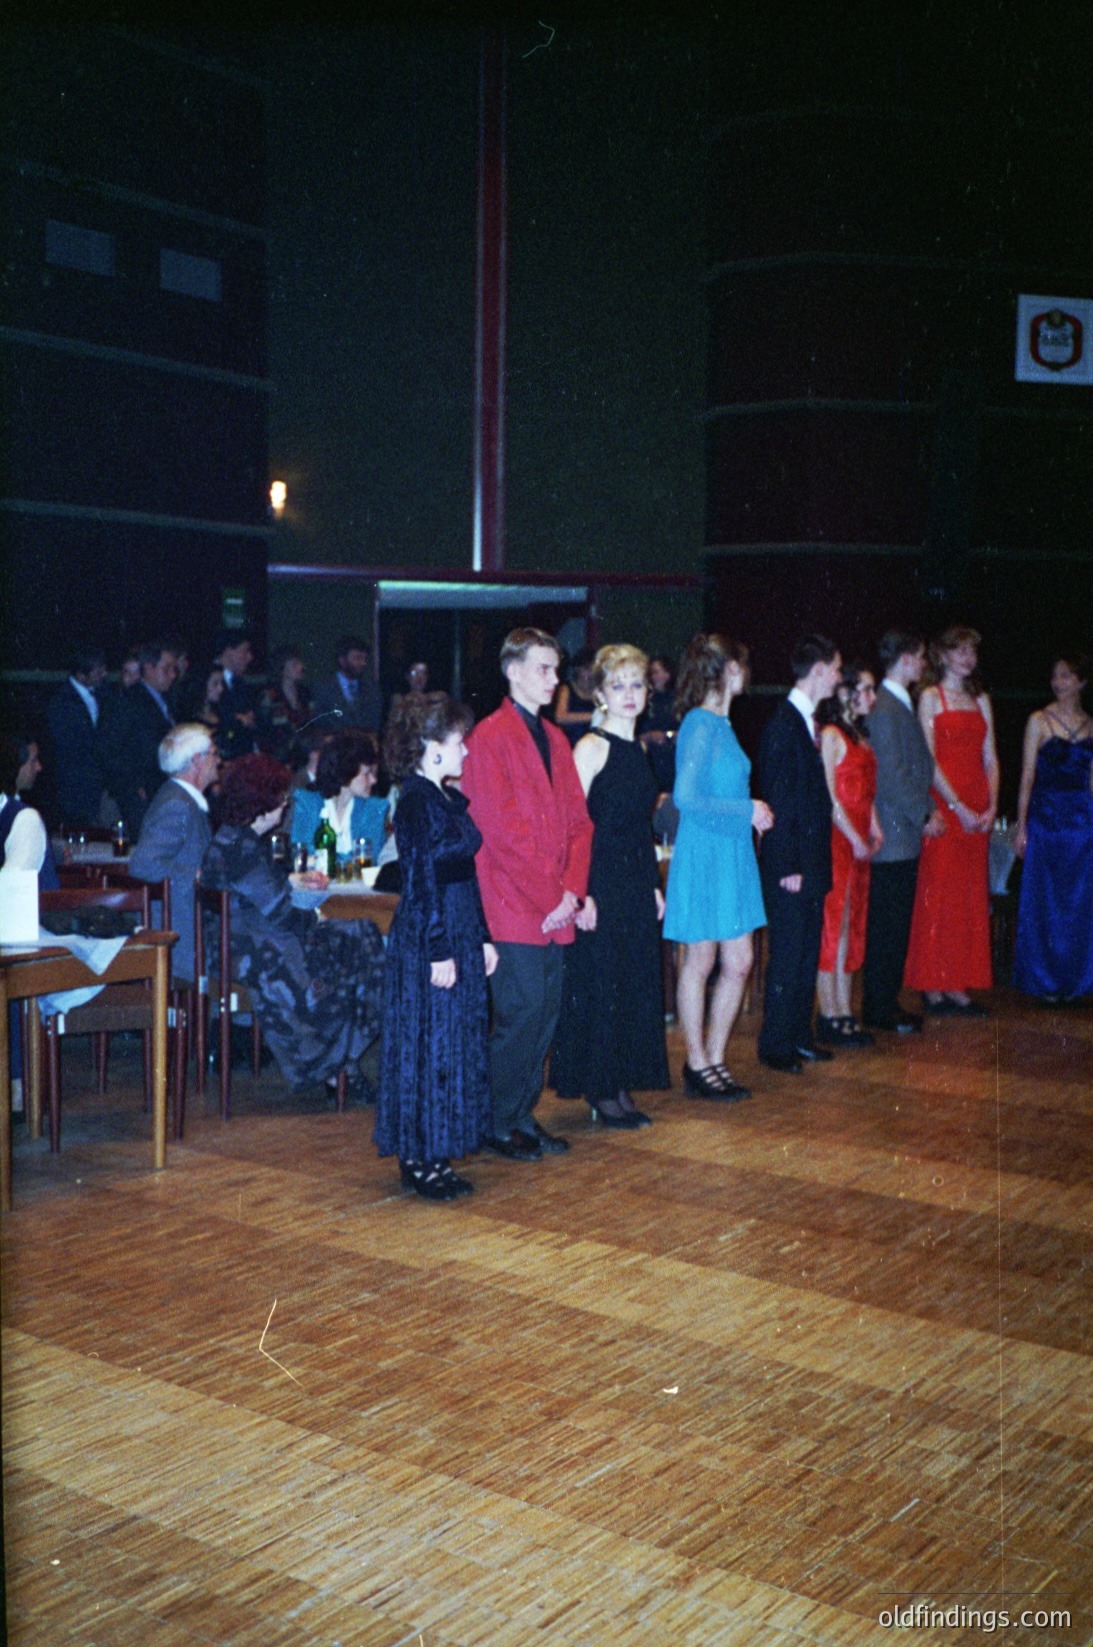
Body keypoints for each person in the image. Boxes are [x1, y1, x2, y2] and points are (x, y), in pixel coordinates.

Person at [462, 627, 593, 1160]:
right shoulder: (488, 739)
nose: (554, 679)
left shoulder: (556, 739)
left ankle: (519, 1113)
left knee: (545, 1016)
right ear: (512, 671)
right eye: (544, 668)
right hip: (514, 906)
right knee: (521, 1016)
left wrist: (573, 892)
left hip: (553, 903)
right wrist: (554, 897)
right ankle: (495, 1120)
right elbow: (501, 834)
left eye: (555, 668)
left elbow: (581, 825)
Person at [200, 753, 385, 1095]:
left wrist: (295, 885)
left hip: (238, 943)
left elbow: (263, 895)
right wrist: (315, 915)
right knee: (362, 939)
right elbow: (281, 913)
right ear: (263, 802)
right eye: (280, 798)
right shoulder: (244, 847)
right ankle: (339, 1064)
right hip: (256, 952)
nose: (284, 805)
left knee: (357, 935)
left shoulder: (231, 838)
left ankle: (340, 1062)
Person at [374, 693, 497, 1198]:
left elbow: (465, 878)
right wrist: (438, 949)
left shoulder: (440, 796)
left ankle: (435, 1152)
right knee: (430, 1045)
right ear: (430, 746)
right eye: (457, 742)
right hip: (433, 935)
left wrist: (483, 938)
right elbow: (421, 880)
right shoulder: (417, 801)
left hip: (457, 930)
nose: (466, 751)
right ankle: (419, 1156)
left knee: (450, 1043)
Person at [551, 645, 670, 1127]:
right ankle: (600, 1089)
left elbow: (639, 827)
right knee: (601, 985)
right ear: (598, 693)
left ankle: (619, 1082)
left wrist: (653, 887)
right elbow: (572, 827)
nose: (629, 694)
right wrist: (581, 893)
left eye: (636, 685)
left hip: (635, 881)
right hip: (599, 884)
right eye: (617, 686)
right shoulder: (591, 747)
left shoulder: (639, 748)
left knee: (631, 983)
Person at [664, 634, 771, 1097]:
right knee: (704, 958)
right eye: (741, 665)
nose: (746, 674)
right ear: (729, 669)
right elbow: (686, 799)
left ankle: (714, 1057)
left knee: (739, 960)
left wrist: (745, 811)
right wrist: (747, 809)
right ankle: (698, 1061)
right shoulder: (701, 723)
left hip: (731, 853)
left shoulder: (721, 725)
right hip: (708, 849)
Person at [756, 635, 842, 1073]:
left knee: (806, 951)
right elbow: (780, 798)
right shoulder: (784, 724)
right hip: (792, 865)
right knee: (789, 955)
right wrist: (788, 864)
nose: (840, 677)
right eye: (836, 668)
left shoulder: (804, 721)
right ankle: (776, 1045)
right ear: (820, 670)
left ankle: (798, 1035)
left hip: (809, 862)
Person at [904, 625, 998, 1015]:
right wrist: (957, 806)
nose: (967, 658)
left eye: (971, 652)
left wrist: (991, 804)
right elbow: (928, 759)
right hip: (945, 805)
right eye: (959, 651)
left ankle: (958, 985)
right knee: (938, 893)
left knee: (969, 897)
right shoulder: (930, 696)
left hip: (978, 806)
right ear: (941, 656)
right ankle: (933, 984)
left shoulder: (981, 699)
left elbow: (991, 758)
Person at [861, 630, 940, 1034]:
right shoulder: (886, 707)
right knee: (887, 926)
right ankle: (878, 1006)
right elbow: (891, 775)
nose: (925, 664)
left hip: (900, 831)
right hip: (893, 832)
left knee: (893, 924)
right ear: (906, 659)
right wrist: (925, 813)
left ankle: (885, 1001)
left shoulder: (896, 704)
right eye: (921, 656)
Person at [1013, 654, 1093, 1002]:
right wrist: (1021, 825)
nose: (1058, 683)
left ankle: (1078, 982)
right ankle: (1043, 982)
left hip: (1082, 825)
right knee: (1044, 901)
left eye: (1066, 677)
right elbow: (1027, 775)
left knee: (1079, 904)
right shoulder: (1038, 720)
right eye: (1055, 676)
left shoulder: (1092, 724)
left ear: (1081, 682)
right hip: (1045, 820)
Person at [815, 663, 883, 1046]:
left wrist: (873, 826)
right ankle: (829, 1012)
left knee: (852, 925)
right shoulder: (830, 735)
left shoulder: (860, 736)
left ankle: (844, 1010)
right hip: (838, 839)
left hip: (857, 838)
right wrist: (855, 835)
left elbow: (865, 793)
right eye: (867, 690)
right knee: (834, 925)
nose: (872, 698)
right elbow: (830, 796)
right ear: (846, 693)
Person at [129, 724, 220, 983]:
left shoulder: (181, 799)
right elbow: (143, 864)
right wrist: (198, 874)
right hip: (178, 930)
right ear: (197, 761)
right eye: (213, 753)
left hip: (185, 924)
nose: (218, 760)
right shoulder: (178, 804)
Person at [101, 640, 179, 836]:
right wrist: (135, 785)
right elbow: (111, 748)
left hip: (161, 791)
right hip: (141, 795)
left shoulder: (166, 700)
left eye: (174, 669)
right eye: (167, 669)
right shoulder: (130, 701)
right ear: (149, 668)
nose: (172, 675)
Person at [290, 730, 388, 868]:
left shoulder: (374, 808)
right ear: (345, 773)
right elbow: (300, 858)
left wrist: (320, 859)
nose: (373, 780)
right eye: (366, 774)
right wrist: (346, 860)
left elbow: (370, 859)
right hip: (313, 888)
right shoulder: (308, 804)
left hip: (358, 889)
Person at [312, 634, 383, 733]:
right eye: (357, 658)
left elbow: (374, 724)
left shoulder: (372, 690)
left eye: (364, 658)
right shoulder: (323, 689)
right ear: (342, 660)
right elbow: (320, 724)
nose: (362, 663)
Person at [259, 645, 313, 759]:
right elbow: (265, 730)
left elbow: (311, 724)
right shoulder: (270, 695)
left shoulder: (306, 693)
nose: (301, 667)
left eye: (300, 663)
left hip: (303, 754)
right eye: (295, 664)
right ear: (282, 667)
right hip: (277, 756)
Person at [213, 630, 258, 759]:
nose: (250, 657)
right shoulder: (206, 678)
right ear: (229, 651)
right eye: (245, 651)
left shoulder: (240, 683)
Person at [553, 650, 598, 746]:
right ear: (577, 669)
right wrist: (593, 716)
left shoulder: (599, 692)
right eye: (586, 669)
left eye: (593, 669)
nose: (590, 673)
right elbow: (560, 717)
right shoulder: (566, 689)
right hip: (569, 744)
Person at [175, 662, 226, 732]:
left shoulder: (221, 710)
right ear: (203, 684)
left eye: (221, 683)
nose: (221, 688)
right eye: (215, 684)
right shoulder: (190, 717)